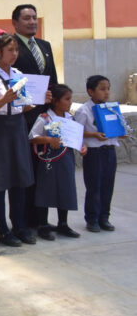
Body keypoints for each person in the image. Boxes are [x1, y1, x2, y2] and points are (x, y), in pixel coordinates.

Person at [0, 30, 36, 247]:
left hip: (17, 126)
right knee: (0, 180)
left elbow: (25, 103)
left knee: (19, 179)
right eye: (10, 50)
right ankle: (2, 229)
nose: (14, 54)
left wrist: (35, 99)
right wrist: (4, 99)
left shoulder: (18, 73)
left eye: (16, 50)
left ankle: (19, 226)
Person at [12, 4, 58, 229]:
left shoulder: (44, 45)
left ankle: (42, 220)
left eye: (34, 18)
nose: (32, 22)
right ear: (16, 23)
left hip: (46, 117)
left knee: (45, 171)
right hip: (23, 117)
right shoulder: (11, 47)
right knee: (26, 172)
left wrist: (56, 110)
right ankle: (25, 221)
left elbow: (53, 81)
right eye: (26, 18)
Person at [30, 84, 87, 239]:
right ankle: (43, 224)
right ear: (55, 101)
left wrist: (82, 146)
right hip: (48, 159)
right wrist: (48, 139)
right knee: (46, 190)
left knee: (65, 189)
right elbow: (32, 137)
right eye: (66, 99)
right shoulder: (45, 118)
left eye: (70, 99)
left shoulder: (70, 118)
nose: (70, 103)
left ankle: (63, 223)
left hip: (66, 159)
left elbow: (76, 138)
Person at [74, 75, 120, 233]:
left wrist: (120, 132)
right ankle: (92, 219)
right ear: (90, 91)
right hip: (94, 153)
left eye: (108, 89)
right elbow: (77, 132)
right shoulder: (84, 110)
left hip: (109, 150)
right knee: (94, 186)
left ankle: (104, 217)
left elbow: (114, 127)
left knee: (108, 185)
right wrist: (93, 135)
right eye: (102, 89)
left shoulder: (111, 108)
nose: (106, 93)